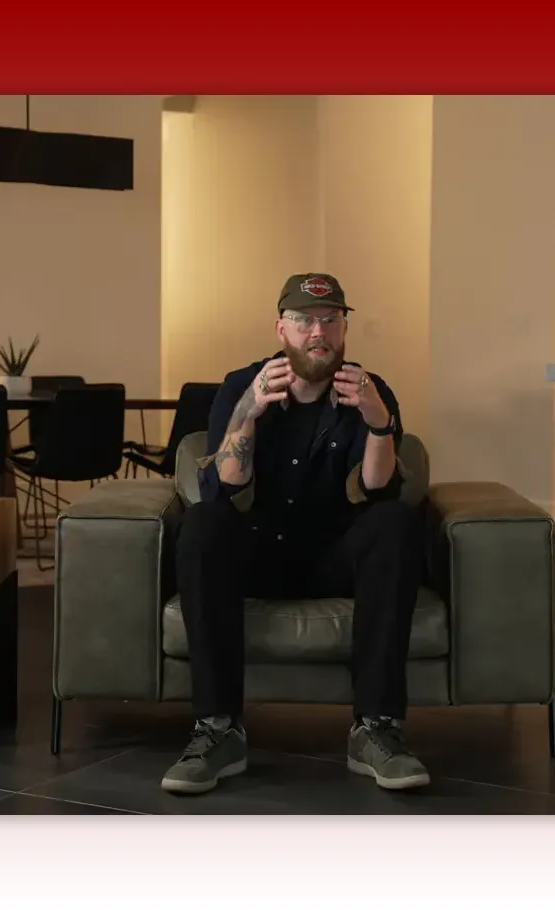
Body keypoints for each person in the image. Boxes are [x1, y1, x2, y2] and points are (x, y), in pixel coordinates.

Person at [161, 273, 429, 795]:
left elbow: (377, 490)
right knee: (204, 523)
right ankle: (218, 730)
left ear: (344, 328)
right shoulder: (241, 385)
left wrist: (379, 422)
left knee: (395, 521)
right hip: (257, 556)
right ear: (280, 328)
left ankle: (376, 730)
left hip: (334, 558)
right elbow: (225, 487)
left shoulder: (369, 390)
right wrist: (249, 411)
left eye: (330, 320)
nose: (318, 332)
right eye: (304, 320)